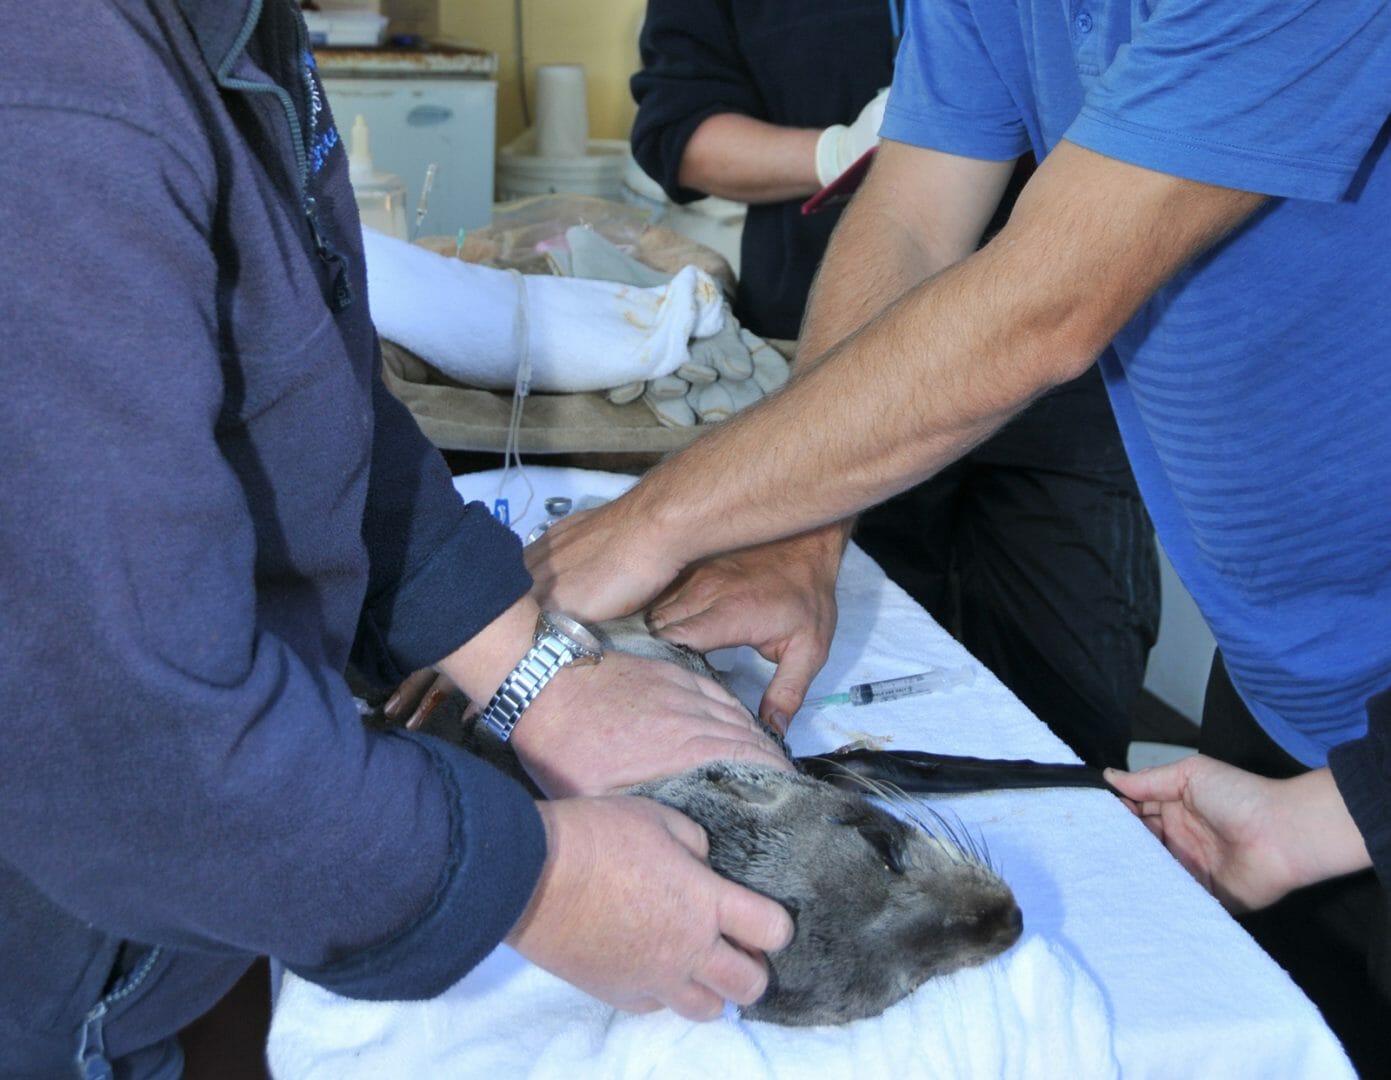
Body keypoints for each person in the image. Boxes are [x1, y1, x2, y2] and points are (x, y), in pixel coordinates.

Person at [529, 0, 1391, 1070]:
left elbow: (1052, 295)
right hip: (1288, 681)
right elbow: (911, 219)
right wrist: (799, 535)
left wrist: (665, 515)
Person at [0, 3, 794, 1076]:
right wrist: (536, 884)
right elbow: (134, 734)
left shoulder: (222, 29)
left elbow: (308, 401)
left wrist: (531, 672)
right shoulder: (57, 88)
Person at [627, 0, 1159, 769]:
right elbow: (682, 135)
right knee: (844, 730)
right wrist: (834, 152)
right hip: (835, 376)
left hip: (1066, 396)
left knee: (1068, 718)